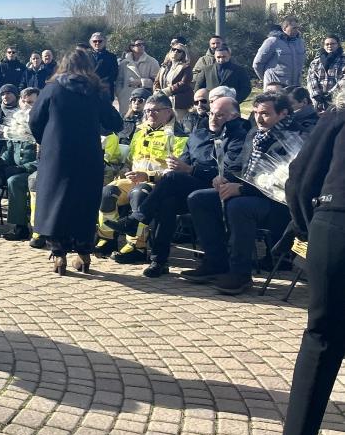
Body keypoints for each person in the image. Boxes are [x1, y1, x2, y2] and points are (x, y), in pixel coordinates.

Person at [278, 91, 345, 435]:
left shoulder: (339, 114)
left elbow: (301, 177)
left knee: (320, 336)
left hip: (334, 225)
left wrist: (308, 227)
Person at [108, 96, 250, 277]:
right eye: (211, 114)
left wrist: (191, 170)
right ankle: (158, 261)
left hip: (218, 187)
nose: (213, 118)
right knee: (167, 200)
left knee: (171, 182)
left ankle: (137, 219)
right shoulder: (199, 134)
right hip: (189, 185)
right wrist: (179, 167)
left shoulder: (239, 137)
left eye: (220, 115)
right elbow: (184, 161)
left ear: (234, 116)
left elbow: (230, 172)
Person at [184, 92, 307, 294]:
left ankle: (240, 273)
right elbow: (239, 166)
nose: (258, 118)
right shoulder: (254, 134)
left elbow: (286, 182)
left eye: (265, 113)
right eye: (256, 112)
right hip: (250, 194)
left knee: (238, 206)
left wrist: (241, 189)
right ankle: (215, 262)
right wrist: (224, 178)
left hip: (279, 205)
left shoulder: (297, 137)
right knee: (198, 199)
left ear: (283, 113)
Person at [30, 48, 124, 274]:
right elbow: (115, 122)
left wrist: (46, 140)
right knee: (84, 202)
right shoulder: (95, 91)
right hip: (87, 154)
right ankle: (83, 253)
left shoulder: (52, 89)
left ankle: (59, 254)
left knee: (56, 202)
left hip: (57, 155)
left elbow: (34, 120)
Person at [94, 94, 189, 263]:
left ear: (168, 112)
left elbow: (175, 172)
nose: (149, 114)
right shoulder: (140, 131)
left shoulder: (178, 136)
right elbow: (131, 159)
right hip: (134, 178)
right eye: (147, 111)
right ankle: (107, 239)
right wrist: (125, 170)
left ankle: (137, 246)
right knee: (108, 192)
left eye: (155, 111)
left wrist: (148, 176)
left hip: (157, 183)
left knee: (138, 194)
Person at [0, 87, 39, 241]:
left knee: (14, 181)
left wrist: (21, 168)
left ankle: (20, 227)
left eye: (31, 102)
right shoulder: (18, 121)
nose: (26, 106)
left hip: (35, 170)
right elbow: (9, 148)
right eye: (23, 102)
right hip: (16, 168)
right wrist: (0, 164)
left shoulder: (43, 125)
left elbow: (44, 158)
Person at [254, 16, 306, 87]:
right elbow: (257, 64)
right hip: (276, 87)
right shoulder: (272, 42)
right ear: (284, 28)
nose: (296, 30)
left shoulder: (300, 43)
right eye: (294, 28)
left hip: (295, 87)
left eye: (297, 28)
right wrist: (267, 80)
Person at [118, 39, 160, 116]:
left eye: (143, 44)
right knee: (126, 119)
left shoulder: (152, 61)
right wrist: (120, 94)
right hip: (126, 98)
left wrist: (141, 82)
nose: (141, 46)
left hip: (143, 99)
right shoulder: (124, 63)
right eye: (138, 45)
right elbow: (119, 81)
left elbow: (157, 81)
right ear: (131, 47)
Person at [155, 44, 195, 123]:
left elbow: (184, 83)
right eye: (173, 49)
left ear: (183, 54)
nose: (175, 52)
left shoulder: (186, 67)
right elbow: (156, 82)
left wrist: (167, 91)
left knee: (178, 124)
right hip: (163, 100)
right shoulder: (164, 67)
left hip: (178, 102)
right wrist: (156, 91)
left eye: (179, 51)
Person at [307, 34, 343, 110]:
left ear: (338, 45)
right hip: (319, 102)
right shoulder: (315, 62)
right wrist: (316, 95)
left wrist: (330, 94)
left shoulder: (343, 60)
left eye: (332, 44)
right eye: (327, 44)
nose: (330, 46)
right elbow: (311, 79)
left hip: (339, 99)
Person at [90, 32, 120, 103]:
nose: (97, 43)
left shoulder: (111, 57)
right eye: (95, 41)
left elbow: (114, 74)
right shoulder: (85, 56)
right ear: (91, 43)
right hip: (89, 91)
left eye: (100, 41)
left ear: (105, 42)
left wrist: (99, 83)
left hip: (106, 92)